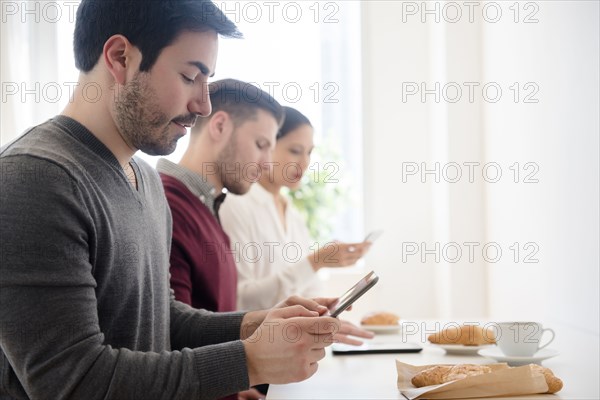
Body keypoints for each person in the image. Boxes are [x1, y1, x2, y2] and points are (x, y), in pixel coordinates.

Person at [0, 2, 340, 399]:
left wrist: (255, 324)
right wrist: (250, 361)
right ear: (120, 58)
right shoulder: (36, 178)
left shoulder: (144, 178)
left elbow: (163, 319)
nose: (204, 104)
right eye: (190, 76)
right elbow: (73, 381)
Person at [220, 107, 372, 311]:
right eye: (295, 151)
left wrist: (325, 312)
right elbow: (241, 300)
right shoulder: (236, 205)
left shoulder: (293, 214)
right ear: (267, 145)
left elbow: (307, 290)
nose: (305, 163)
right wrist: (315, 262)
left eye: (309, 152)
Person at [158, 78, 283, 314]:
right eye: (260, 144)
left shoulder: (207, 208)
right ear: (220, 126)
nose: (267, 165)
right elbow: (174, 334)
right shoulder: (168, 206)